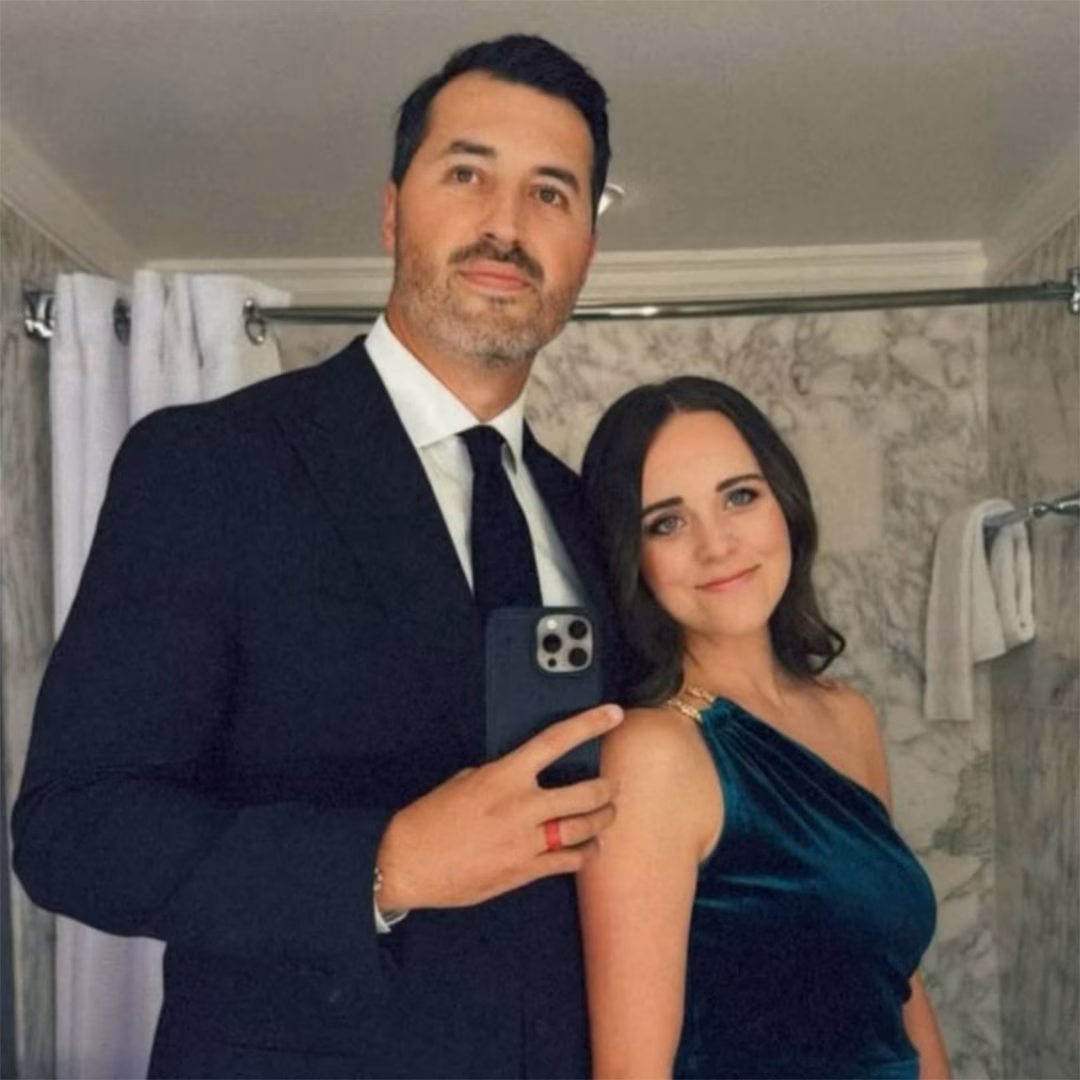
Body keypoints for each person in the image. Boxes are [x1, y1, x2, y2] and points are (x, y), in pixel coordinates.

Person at [12, 35, 625, 1079]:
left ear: (585, 250)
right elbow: (75, 831)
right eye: (467, 173)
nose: (506, 224)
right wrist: (386, 864)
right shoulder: (211, 464)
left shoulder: (589, 516)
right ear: (393, 211)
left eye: (551, 193)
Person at [577, 376, 951, 1080]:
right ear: (631, 556)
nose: (717, 545)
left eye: (740, 497)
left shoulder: (847, 714)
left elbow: (897, 976)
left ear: (785, 503)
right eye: (667, 522)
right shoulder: (654, 755)